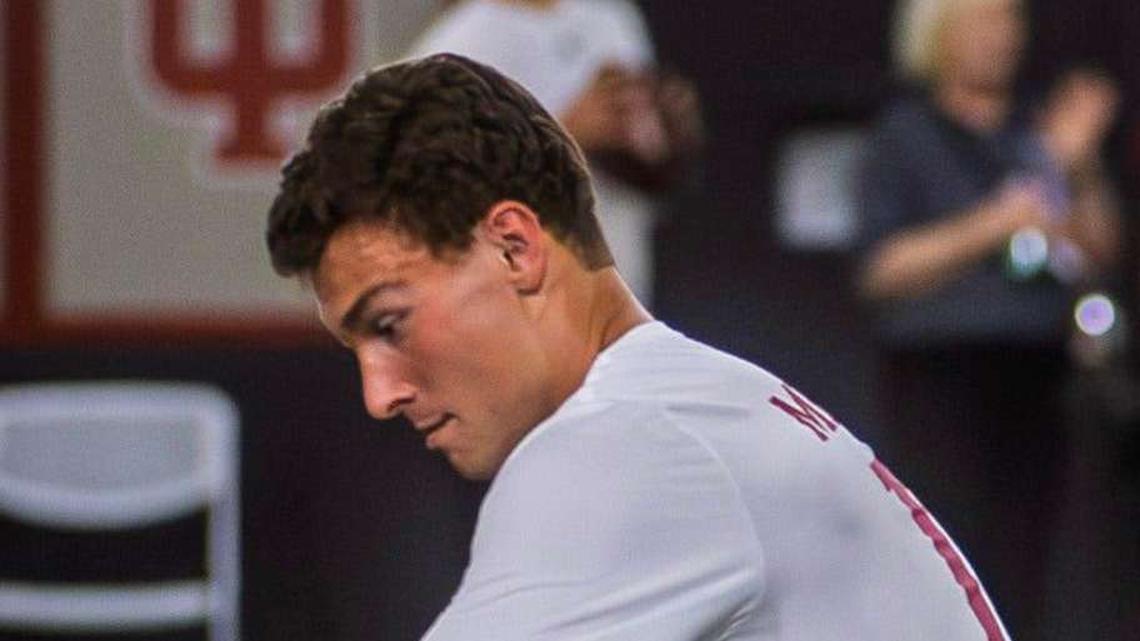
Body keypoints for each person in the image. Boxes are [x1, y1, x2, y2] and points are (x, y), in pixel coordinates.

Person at [267, 53, 1009, 640]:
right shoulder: (690, 403)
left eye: (390, 323)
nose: (379, 393)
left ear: (514, 247)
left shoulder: (624, 442)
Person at [855, 1, 1121, 639]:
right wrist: (992, 225)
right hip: (941, 375)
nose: (999, 39)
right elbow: (880, 269)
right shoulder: (903, 136)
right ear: (936, 38)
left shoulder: (1039, 134)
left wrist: (1077, 163)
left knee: (1034, 560)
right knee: (945, 553)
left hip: (1038, 370)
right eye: (980, 22)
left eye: (1008, 22)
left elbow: (1099, 252)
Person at [405, 0, 703, 307]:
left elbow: (645, 181)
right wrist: (564, 130)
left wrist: (664, 142)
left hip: (617, 294)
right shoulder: (458, 47)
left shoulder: (611, 19)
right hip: (513, 312)